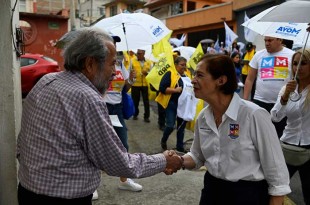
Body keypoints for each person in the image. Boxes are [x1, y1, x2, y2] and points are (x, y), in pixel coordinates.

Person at [16, 28, 182, 205]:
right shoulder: (88, 98)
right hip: (62, 199)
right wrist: (164, 160)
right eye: (112, 63)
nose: (114, 71)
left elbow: (22, 143)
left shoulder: (46, 81)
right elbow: (118, 162)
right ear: (90, 64)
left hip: (27, 190)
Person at [178, 54, 291, 205]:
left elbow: (276, 169)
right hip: (212, 191)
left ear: (221, 80)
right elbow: (197, 156)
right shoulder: (203, 117)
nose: (192, 80)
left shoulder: (254, 115)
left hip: (247, 195)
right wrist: (177, 161)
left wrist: (276, 200)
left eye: (199, 75)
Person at [270, 48, 310, 205]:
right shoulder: (287, 88)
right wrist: (285, 96)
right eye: (295, 63)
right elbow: (275, 116)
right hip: (286, 146)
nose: (298, 67)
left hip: (309, 148)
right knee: (275, 189)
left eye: (303, 63)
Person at [103, 48, 142, 192]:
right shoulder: (102, 64)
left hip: (117, 108)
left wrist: (131, 79)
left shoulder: (120, 65)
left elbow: (125, 88)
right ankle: (91, 185)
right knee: (97, 144)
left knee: (123, 143)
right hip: (102, 106)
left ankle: (124, 180)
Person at [243, 37, 294, 138]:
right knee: (260, 136)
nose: (267, 43)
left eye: (270, 40)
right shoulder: (258, 55)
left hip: (283, 103)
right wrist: (245, 100)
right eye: (265, 40)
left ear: (279, 40)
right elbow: (249, 79)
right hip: (260, 102)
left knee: (281, 136)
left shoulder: (292, 55)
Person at [156, 56, 190, 153]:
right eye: (182, 65)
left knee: (181, 127)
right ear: (175, 65)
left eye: (185, 65)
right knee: (170, 125)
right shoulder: (170, 74)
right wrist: (175, 90)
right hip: (172, 103)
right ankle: (164, 139)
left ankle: (179, 147)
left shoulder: (187, 75)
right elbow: (162, 88)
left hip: (183, 105)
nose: (184, 67)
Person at [131, 49, 152, 122]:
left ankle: (146, 117)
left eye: (140, 53)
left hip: (145, 84)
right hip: (135, 84)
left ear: (144, 54)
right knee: (135, 101)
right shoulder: (132, 61)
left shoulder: (149, 62)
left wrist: (147, 73)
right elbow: (129, 71)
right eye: (137, 53)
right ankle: (135, 114)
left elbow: (152, 73)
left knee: (146, 101)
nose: (138, 55)